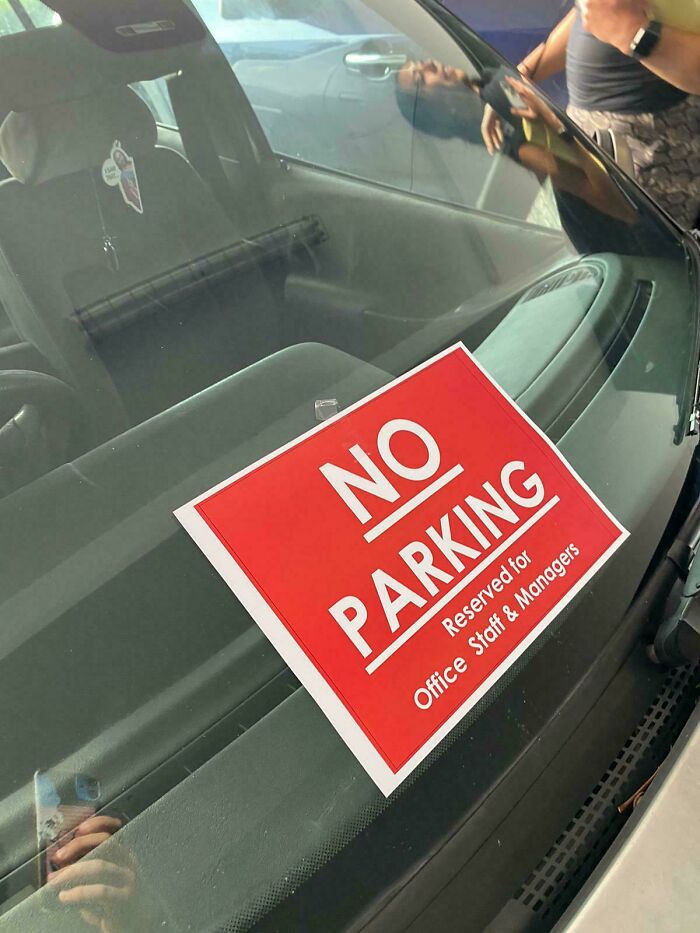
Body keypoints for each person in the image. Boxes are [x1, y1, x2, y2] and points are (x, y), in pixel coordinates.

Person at [487, 3, 700, 229]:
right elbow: (591, 12)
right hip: (581, 130)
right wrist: (523, 75)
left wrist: (633, 33)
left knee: (628, 258)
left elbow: (615, 19)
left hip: (645, 147)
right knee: (551, 248)